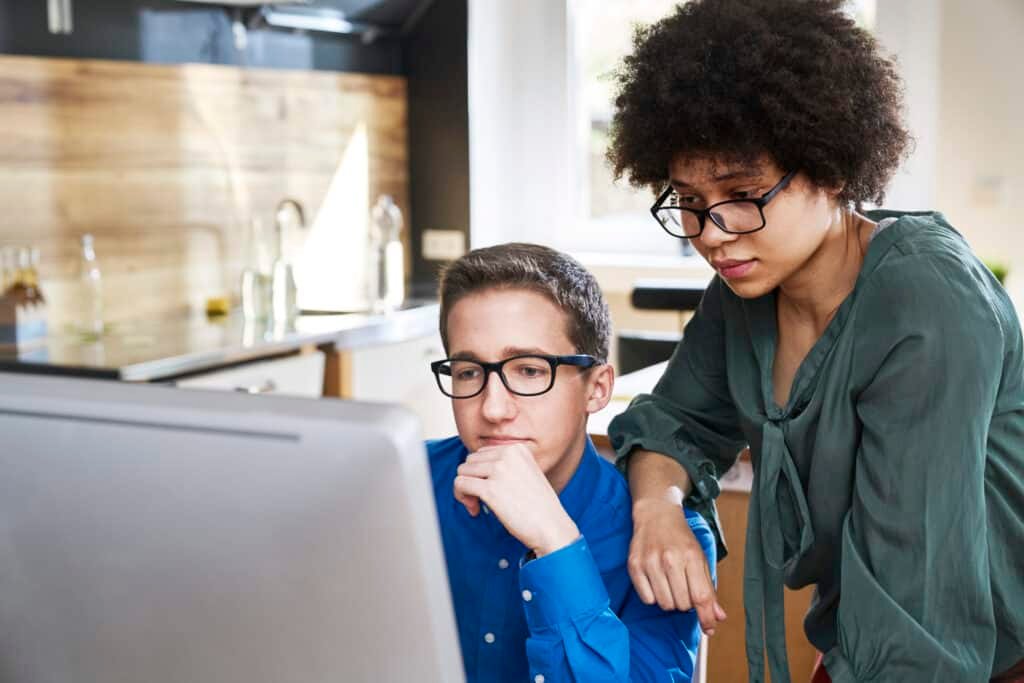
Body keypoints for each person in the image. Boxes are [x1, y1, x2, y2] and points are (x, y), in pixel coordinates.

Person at [602, 1, 1024, 682]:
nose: (710, 231)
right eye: (687, 199)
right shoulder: (742, 294)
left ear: (829, 169)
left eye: (742, 193)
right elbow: (670, 421)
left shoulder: (926, 300)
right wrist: (657, 504)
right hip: (868, 643)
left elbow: (917, 613)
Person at [426, 242, 715, 682]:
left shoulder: (666, 542)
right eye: (469, 372)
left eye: (529, 370)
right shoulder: (405, 484)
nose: (493, 409)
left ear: (596, 389)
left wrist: (556, 542)